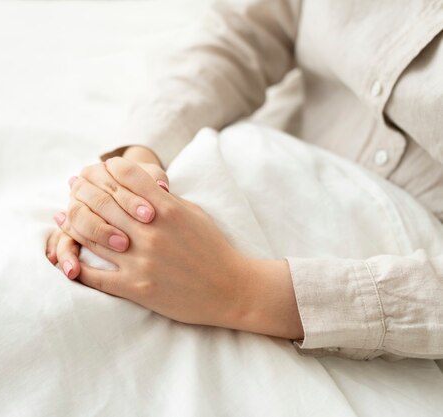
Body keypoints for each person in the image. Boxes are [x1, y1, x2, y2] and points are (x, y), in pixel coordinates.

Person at [46, 0, 443, 361]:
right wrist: (136, 168)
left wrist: (243, 291)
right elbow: (244, 30)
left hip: (365, 306)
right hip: (255, 170)